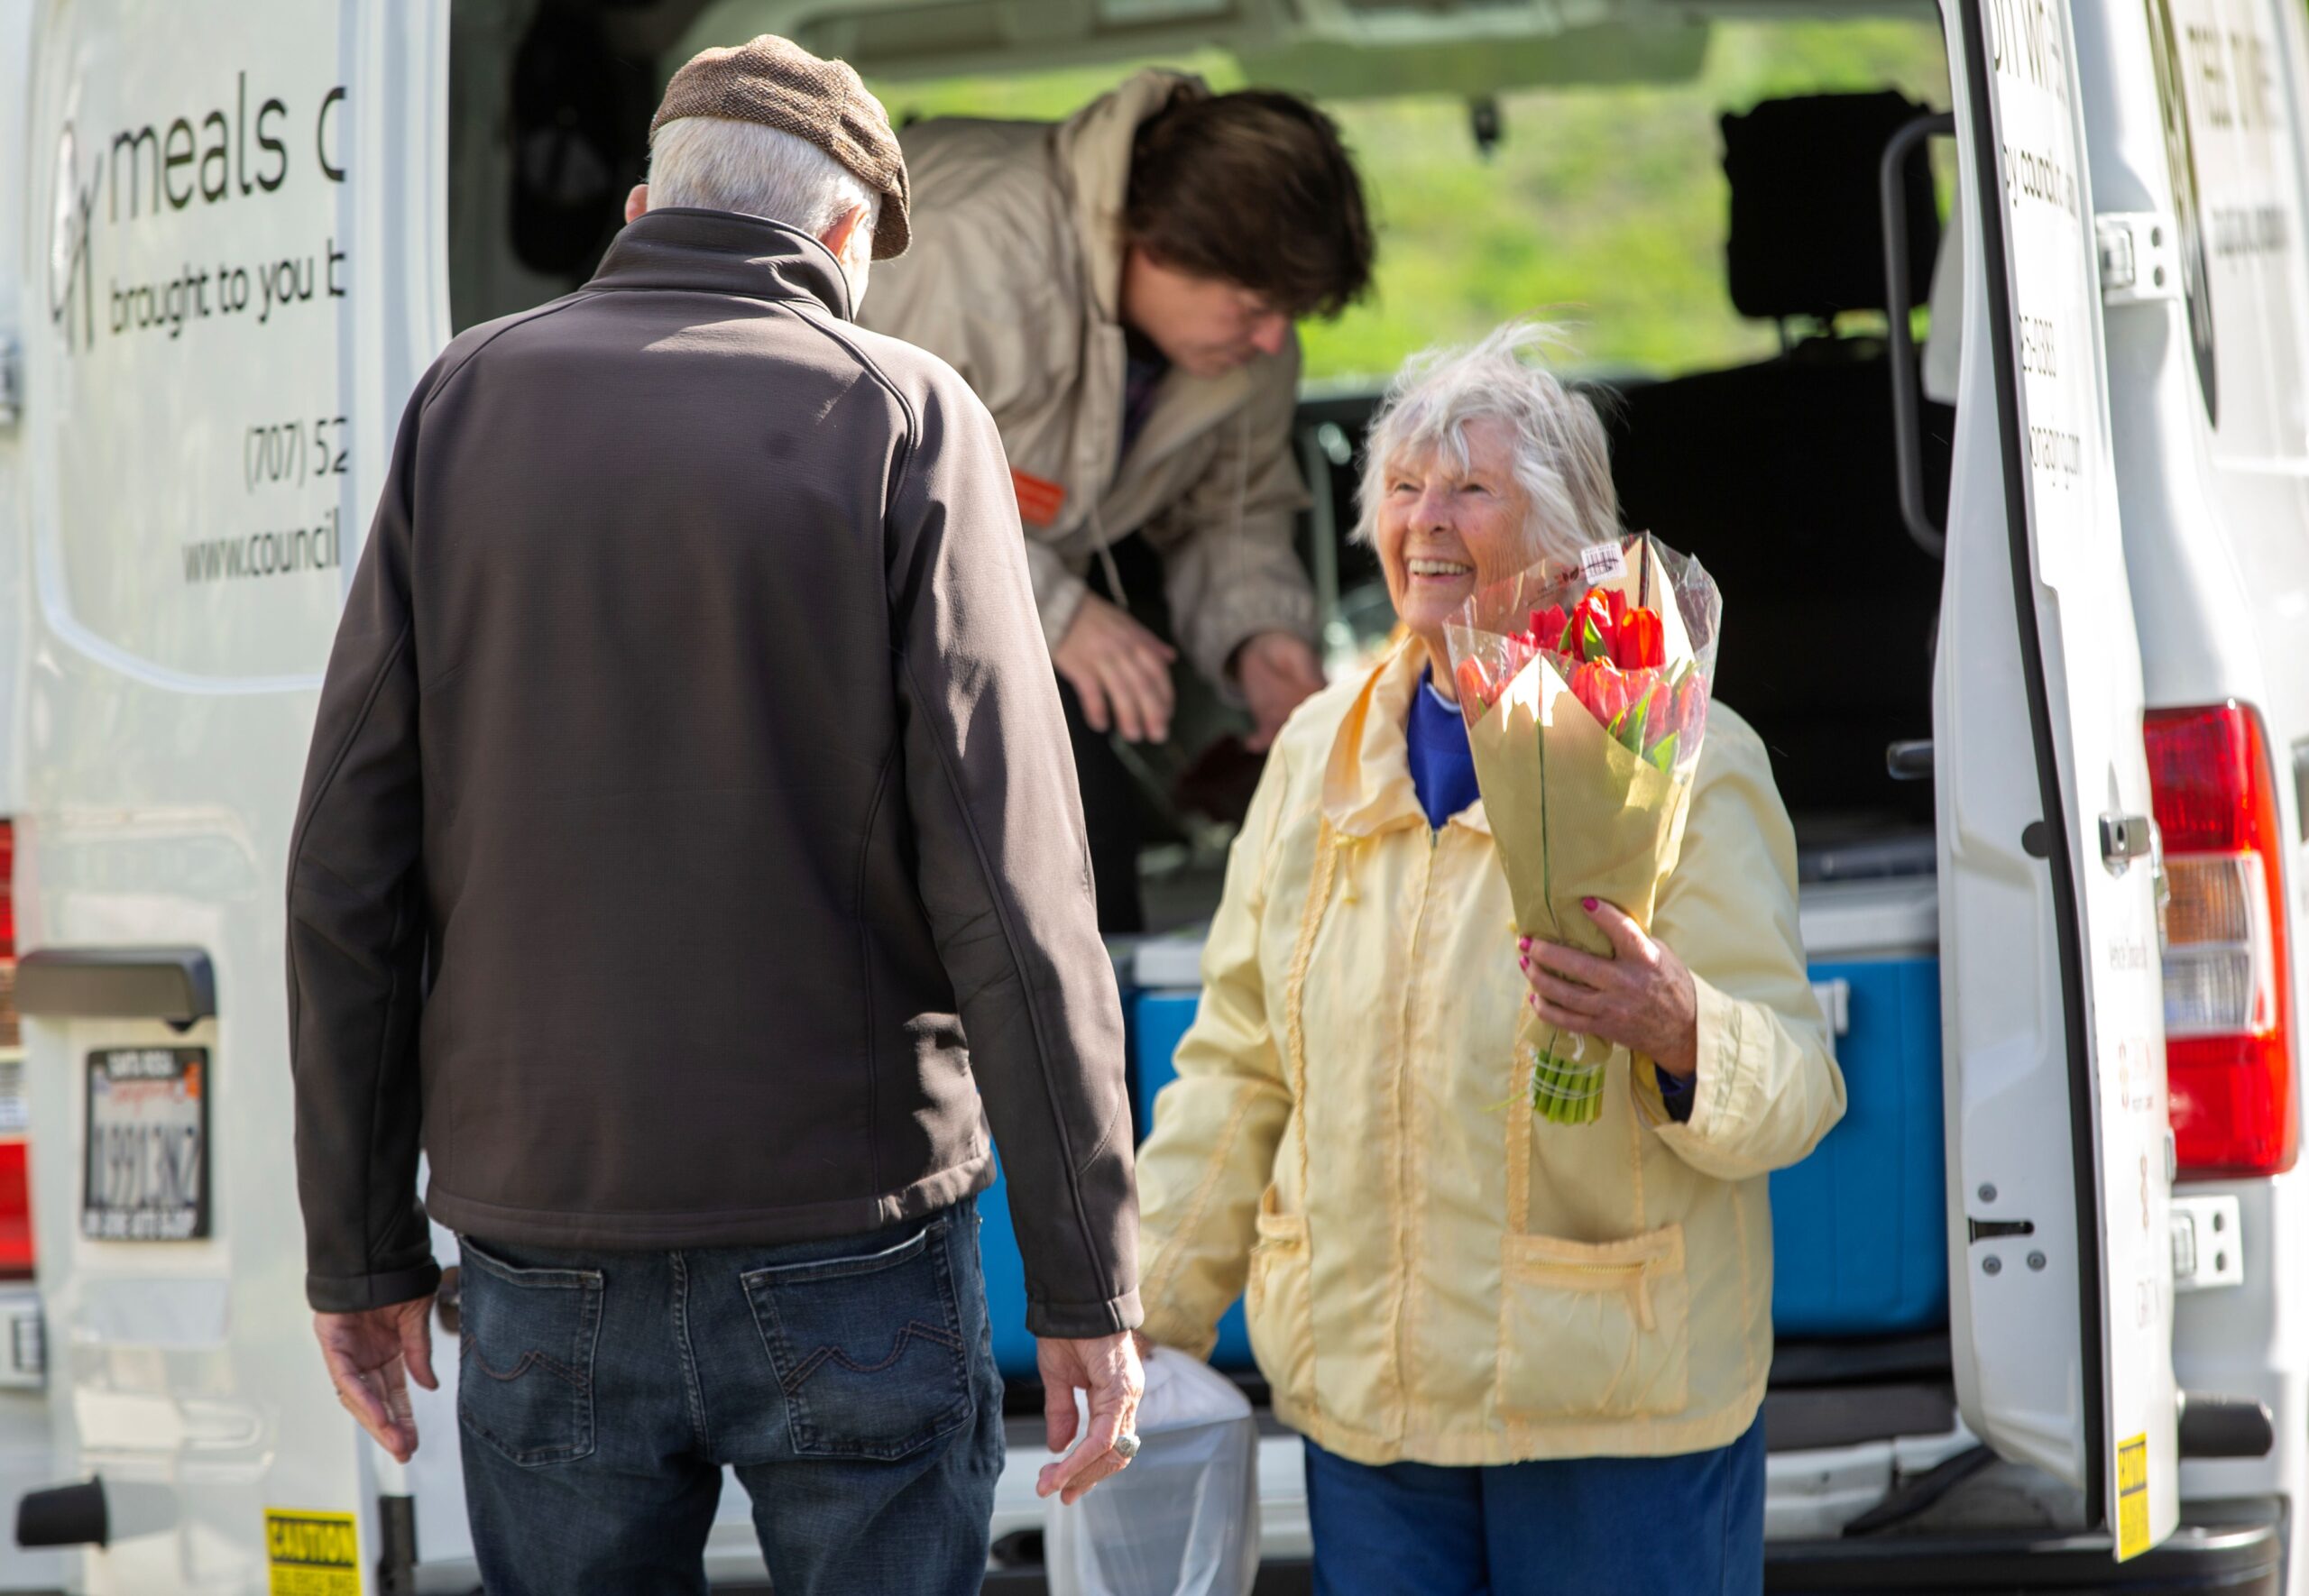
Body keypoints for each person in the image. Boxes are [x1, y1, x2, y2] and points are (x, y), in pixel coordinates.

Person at [286, 37, 1144, 1596]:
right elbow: (1014, 893)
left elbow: (349, 867)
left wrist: (357, 1252)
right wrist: (1089, 1283)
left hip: (541, 1241)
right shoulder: (902, 413)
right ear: (838, 240)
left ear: (639, 204)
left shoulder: (463, 403)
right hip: (853, 1225)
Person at [1128, 324, 1848, 1594]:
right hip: (1374, 1414)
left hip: (1610, 1416)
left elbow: (1794, 1083)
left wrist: (1686, 1030)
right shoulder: (1316, 751)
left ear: (1576, 530)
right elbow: (1239, 1058)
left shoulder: (1688, 749)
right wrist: (1147, 1316)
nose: (1427, 522)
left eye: (1471, 487)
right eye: (1403, 488)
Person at [853, 72, 1376, 931]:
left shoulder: (1246, 344)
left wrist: (1262, 640)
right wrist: (1055, 611)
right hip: (852, 626)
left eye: (1285, 315)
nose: (1273, 341)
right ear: (1158, 244)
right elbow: (853, 471)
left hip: (1003, 595)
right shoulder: (961, 248)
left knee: (1095, 852)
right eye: (1251, 309)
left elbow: (1228, 509)